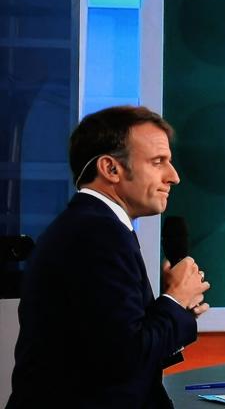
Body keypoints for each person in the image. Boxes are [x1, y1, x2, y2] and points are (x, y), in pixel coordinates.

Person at [7, 106, 209, 409]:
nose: (174, 177)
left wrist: (174, 312)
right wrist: (175, 301)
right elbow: (123, 359)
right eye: (158, 162)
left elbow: (101, 348)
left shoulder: (93, 226)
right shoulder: (96, 234)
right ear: (111, 169)